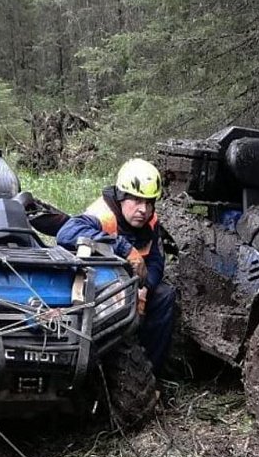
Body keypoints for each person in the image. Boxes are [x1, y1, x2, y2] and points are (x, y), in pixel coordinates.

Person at [56, 158, 175, 372]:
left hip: (132, 282)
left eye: (148, 202)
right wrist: (124, 247)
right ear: (121, 196)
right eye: (136, 201)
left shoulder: (151, 221)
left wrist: (146, 288)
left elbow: (157, 260)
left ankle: (151, 371)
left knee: (165, 296)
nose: (143, 209)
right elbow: (65, 233)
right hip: (99, 281)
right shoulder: (102, 214)